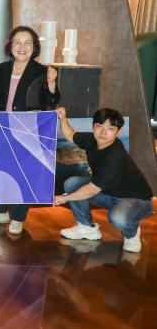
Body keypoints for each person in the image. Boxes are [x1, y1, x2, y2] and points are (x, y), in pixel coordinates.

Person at [0, 25, 59, 234]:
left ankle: (17, 217)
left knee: (23, 173)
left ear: (34, 47)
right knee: (1, 168)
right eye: (17, 42)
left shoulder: (42, 71)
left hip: (28, 130)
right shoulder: (1, 69)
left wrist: (52, 83)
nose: (22, 47)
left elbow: (51, 101)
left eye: (27, 43)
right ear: (10, 46)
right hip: (2, 126)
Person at [55, 107, 153, 253]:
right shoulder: (92, 140)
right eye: (99, 126)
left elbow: (92, 190)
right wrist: (63, 118)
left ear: (118, 131)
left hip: (136, 200)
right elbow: (70, 135)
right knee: (72, 183)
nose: (103, 132)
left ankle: (131, 233)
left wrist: (64, 199)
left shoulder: (115, 156)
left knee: (118, 217)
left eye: (110, 128)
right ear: (93, 126)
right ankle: (87, 228)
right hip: (108, 193)